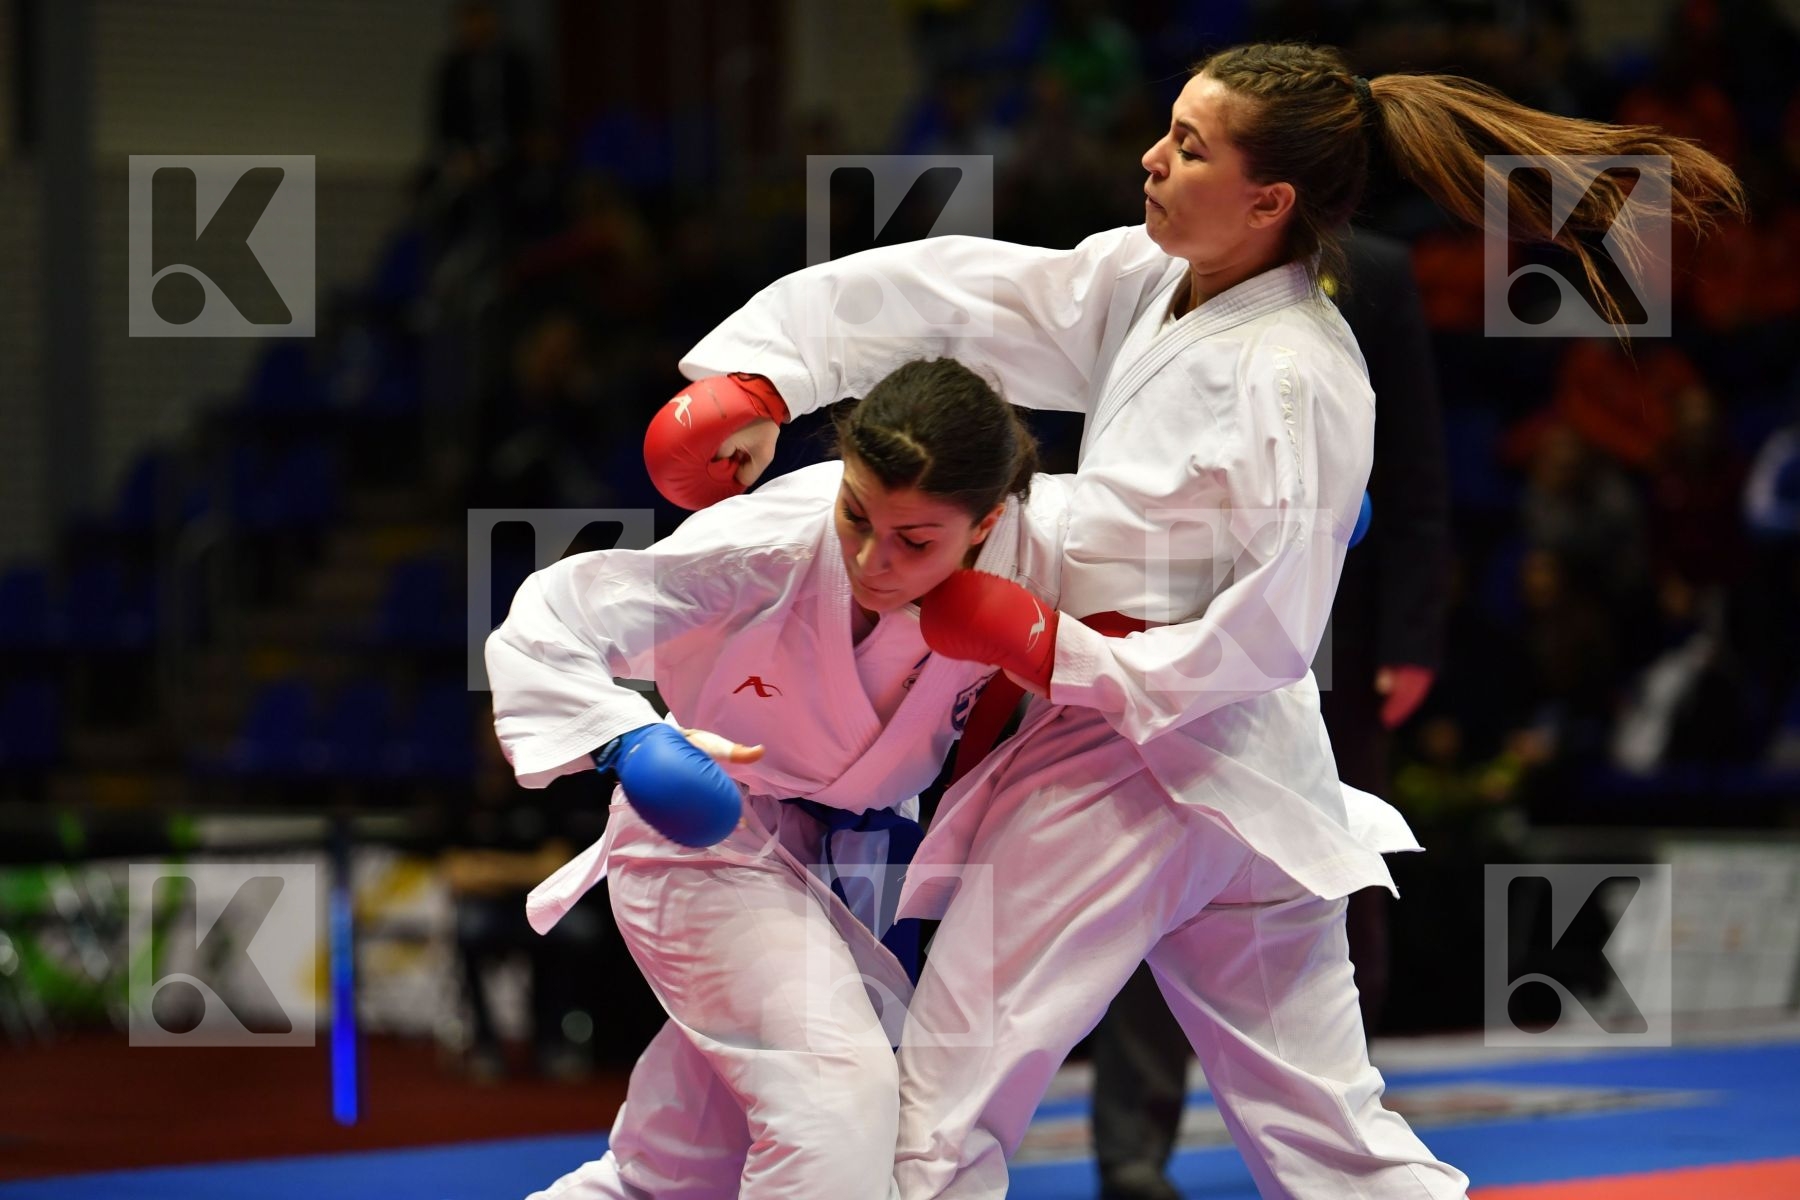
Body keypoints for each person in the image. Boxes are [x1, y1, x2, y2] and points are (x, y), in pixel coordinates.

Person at [647, 41, 1743, 1199]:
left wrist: (1043, 637)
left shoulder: (1295, 373)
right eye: (1169, 131)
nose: (1152, 159)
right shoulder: (1152, 279)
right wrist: (767, 374)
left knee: (941, 1111)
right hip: (1245, 782)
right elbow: (958, 296)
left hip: (1144, 760)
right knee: (1331, 1142)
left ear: (1269, 202)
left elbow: (1267, 633)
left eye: (1189, 147)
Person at [486, 358, 1068, 1199]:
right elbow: (552, 616)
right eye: (855, 514)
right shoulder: (767, 544)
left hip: (856, 861)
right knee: (836, 1101)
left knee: (671, 1177)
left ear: (986, 524)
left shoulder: (1041, 552)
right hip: (713, 835)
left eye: (914, 542)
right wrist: (627, 740)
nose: (871, 559)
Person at [1085, 224, 1452, 1200]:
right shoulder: (1159, 266)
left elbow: (1414, 465)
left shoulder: (1371, 272)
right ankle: (1132, 1152)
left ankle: (1334, 1136)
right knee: (1148, 858)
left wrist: (1412, 635)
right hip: (1174, 614)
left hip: (1320, 616)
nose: (1165, 165)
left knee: (1330, 873)